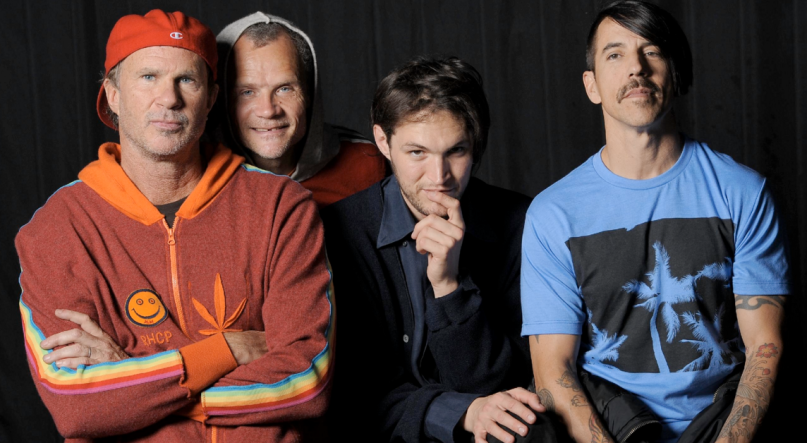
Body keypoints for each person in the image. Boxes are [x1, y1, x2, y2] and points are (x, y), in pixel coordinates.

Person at [16, 10, 333, 442]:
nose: (169, 98)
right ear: (112, 95)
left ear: (211, 98)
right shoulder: (56, 230)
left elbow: (307, 380)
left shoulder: (282, 207)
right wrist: (227, 350)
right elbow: (76, 405)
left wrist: (130, 380)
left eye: (187, 80)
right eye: (148, 77)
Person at [521, 1, 790, 443]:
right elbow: (553, 370)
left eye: (652, 51)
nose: (636, 68)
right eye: (615, 54)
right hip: (612, 424)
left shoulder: (742, 192)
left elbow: (765, 348)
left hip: (721, 420)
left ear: (674, 73)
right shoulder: (553, 213)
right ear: (592, 85)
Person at [322, 56, 553, 443]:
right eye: (417, 153)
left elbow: (505, 384)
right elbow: (354, 393)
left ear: (475, 145)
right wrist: (459, 412)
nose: (439, 177)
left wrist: (449, 286)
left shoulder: (522, 223)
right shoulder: (339, 231)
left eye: (456, 151)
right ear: (383, 142)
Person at [214, 12, 386, 207]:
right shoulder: (197, 175)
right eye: (247, 92)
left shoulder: (365, 162)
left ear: (309, 92)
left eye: (284, 89)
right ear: (221, 99)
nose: (268, 111)